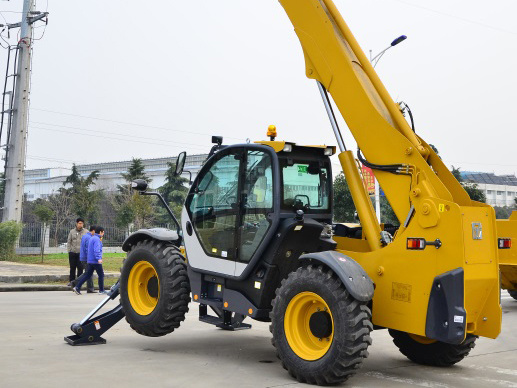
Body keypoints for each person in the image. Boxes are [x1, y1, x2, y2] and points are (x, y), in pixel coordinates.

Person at [73, 226, 107, 295]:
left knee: (88, 275)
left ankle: (77, 287)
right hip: (95, 261)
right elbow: (96, 250)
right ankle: (101, 290)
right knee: (101, 275)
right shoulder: (97, 239)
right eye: (103, 232)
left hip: (90, 260)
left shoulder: (92, 238)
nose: (103, 234)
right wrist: (99, 258)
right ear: (100, 232)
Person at [72, 225, 96, 293]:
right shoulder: (89, 238)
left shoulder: (85, 236)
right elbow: (88, 249)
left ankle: (90, 288)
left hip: (83, 257)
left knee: (88, 272)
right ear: (93, 231)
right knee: (88, 272)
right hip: (87, 258)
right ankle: (76, 282)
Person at [67, 218, 87, 286]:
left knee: (80, 268)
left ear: (83, 224)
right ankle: (71, 281)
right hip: (72, 252)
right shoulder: (72, 231)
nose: (80, 225)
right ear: (76, 223)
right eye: (79, 223)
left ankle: (78, 282)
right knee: (72, 267)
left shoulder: (86, 232)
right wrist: (69, 250)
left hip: (81, 253)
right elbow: (69, 241)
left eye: (81, 223)